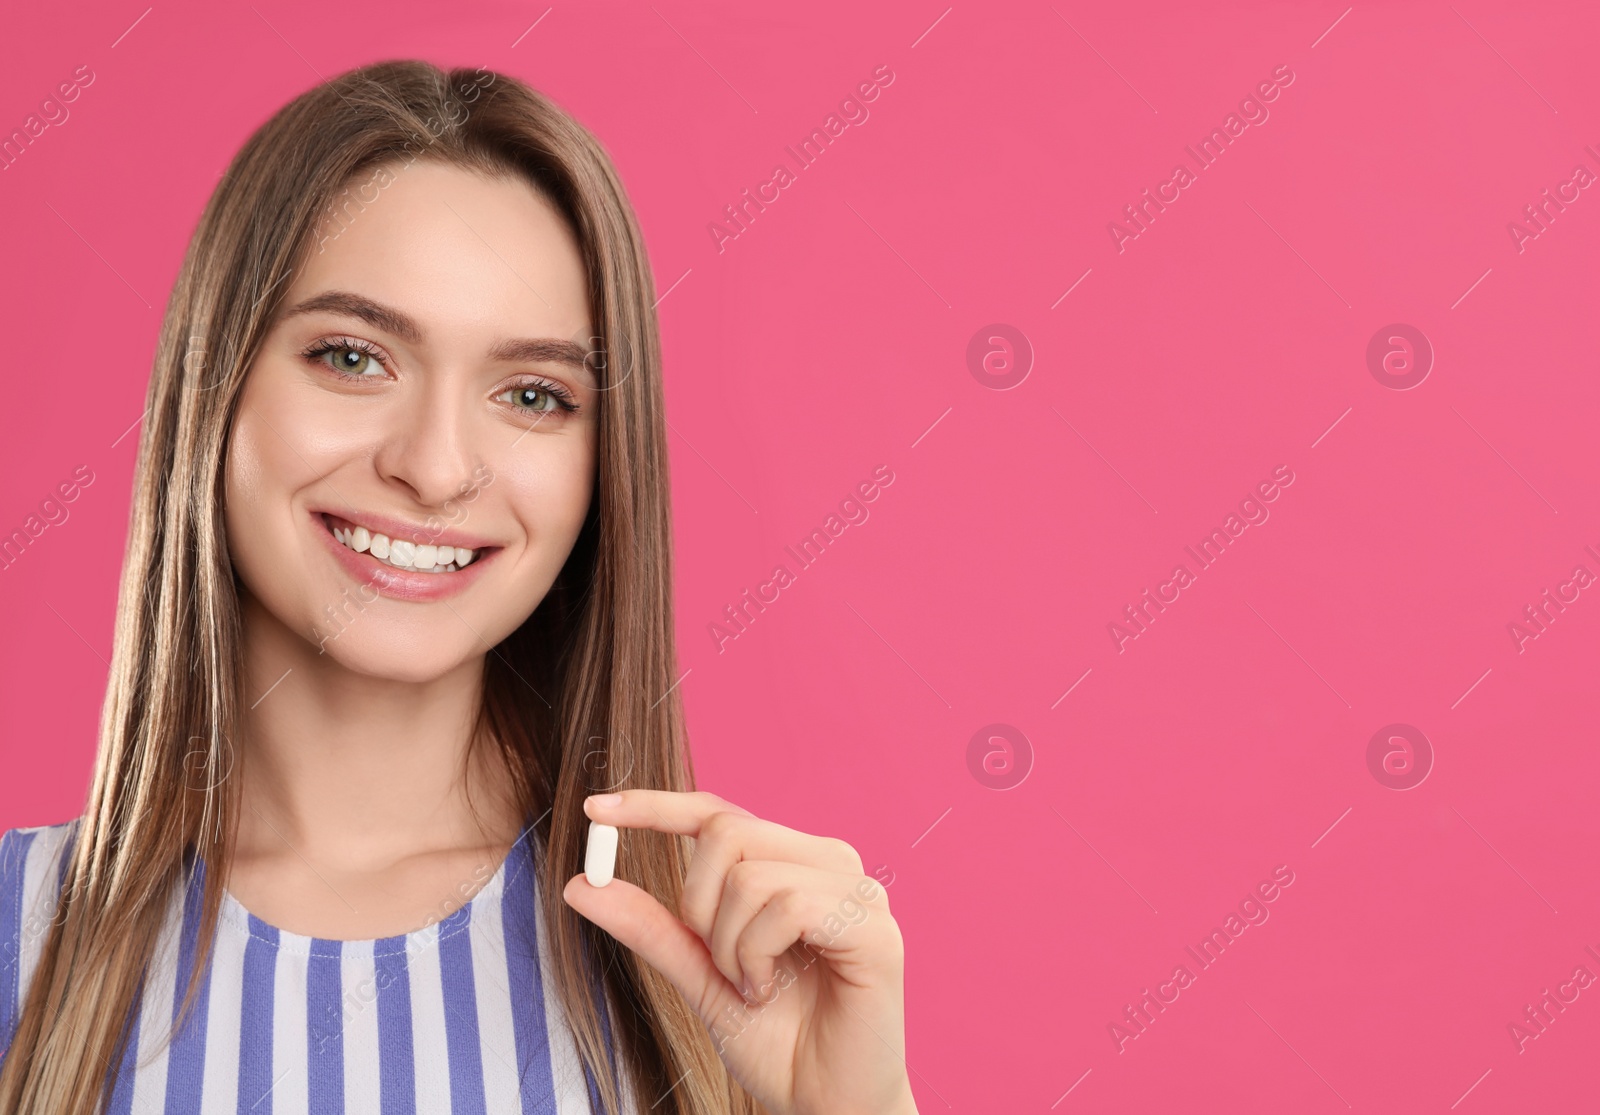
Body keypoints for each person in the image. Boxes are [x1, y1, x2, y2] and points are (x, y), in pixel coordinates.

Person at [0, 60, 915, 1115]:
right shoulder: (21, 933)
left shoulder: (718, 975)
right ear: (219, 388)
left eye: (532, 394)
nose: (436, 467)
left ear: (603, 466)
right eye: (352, 356)